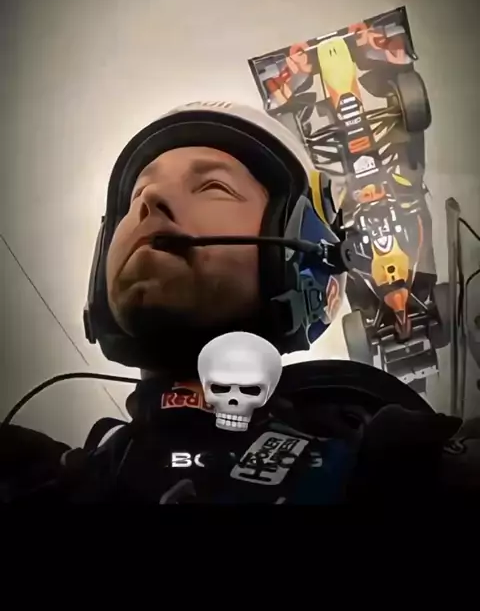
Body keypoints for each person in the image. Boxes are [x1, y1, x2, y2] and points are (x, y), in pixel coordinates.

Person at [0, 101, 479, 504]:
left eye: (213, 187)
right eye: (137, 194)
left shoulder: (403, 470)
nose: (150, 200)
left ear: (301, 250)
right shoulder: (38, 478)